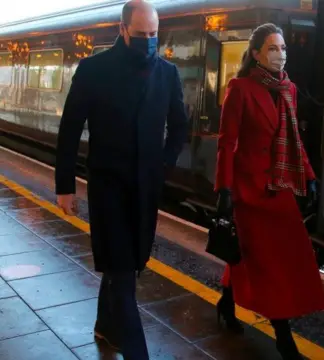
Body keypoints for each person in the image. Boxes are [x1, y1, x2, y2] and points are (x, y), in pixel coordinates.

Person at [54, 1, 188, 359]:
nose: (148, 41)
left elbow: (179, 127)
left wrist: (163, 163)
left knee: (127, 264)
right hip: (108, 188)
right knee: (123, 275)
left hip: (145, 189)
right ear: (123, 29)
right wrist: (65, 185)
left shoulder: (167, 73)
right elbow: (69, 130)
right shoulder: (94, 70)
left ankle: (105, 326)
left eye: (153, 35)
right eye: (141, 34)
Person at [214, 23, 324, 360]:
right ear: (256, 54)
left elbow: (293, 140)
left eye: (283, 49)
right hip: (248, 191)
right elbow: (227, 143)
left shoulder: (288, 89)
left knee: (269, 256)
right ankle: (283, 336)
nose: (281, 55)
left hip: (278, 187)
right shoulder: (240, 88)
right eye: (273, 49)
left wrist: (308, 177)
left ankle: (225, 302)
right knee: (268, 263)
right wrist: (224, 189)